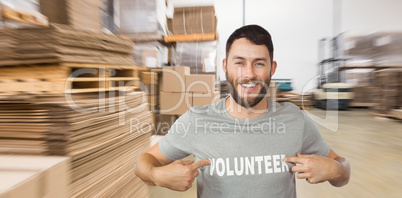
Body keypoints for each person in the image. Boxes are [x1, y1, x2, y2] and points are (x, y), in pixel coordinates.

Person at [134, 24, 350, 197]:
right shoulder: (196, 121)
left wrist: (337, 170)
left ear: (272, 68)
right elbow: (143, 163)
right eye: (239, 63)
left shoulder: (295, 120)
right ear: (225, 66)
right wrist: (156, 175)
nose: (249, 74)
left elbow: (343, 169)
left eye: (259, 63)